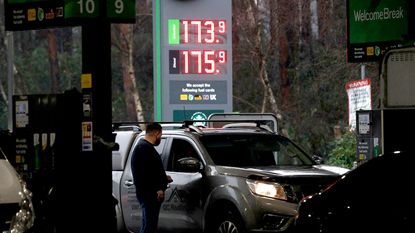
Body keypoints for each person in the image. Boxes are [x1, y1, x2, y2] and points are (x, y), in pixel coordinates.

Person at [131, 122, 173, 233]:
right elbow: (145, 174)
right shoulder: (144, 148)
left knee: (148, 225)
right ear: (156, 133)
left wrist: (164, 177)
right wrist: (158, 188)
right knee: (148, 227)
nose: (160, 137)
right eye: (160, 135)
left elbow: (151, 170)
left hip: (148, 193)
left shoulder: (144, 147)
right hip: (149, 194)